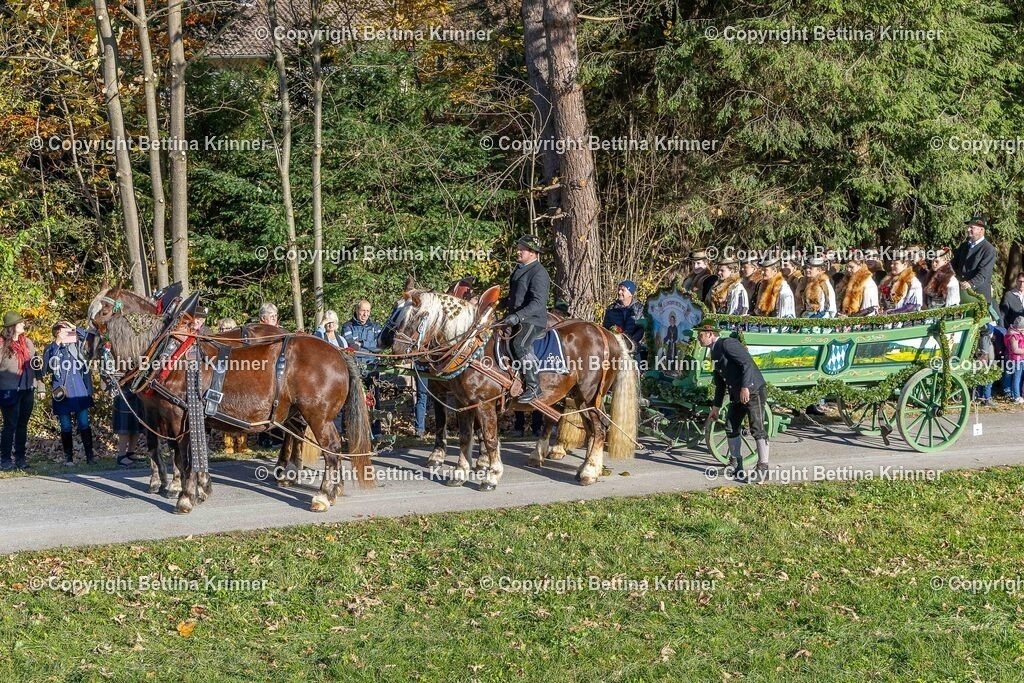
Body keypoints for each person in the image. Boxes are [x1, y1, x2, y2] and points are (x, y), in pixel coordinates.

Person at [696, 323, 769, 483]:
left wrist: (745, 387)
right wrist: (716, 407)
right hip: (737, 393)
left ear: (710, 334)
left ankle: (763, 468)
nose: (698, 338)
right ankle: (735, 465)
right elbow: (720, 382)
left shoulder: (727, 344)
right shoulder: (713, 352)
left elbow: (747, 363)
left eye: (700, 334)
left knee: (757, 428)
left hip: (753, 390)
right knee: (730, 426)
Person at [499, 235, 551, 402]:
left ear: (532, 252)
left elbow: (538, 302)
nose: (518, 251)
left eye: (522, 249)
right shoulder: (519, 269)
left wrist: (518, 316)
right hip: (515, 318)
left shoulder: (539, 273)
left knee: (520, 344)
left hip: (533, 320)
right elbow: (514, 297)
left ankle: (533, 386)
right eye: (519, 248)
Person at [43, 321, 95, 466]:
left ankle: (90, 456)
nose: (65, 332)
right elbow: (47, 367)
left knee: (84, 423)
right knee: (65, 426)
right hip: (62, 392)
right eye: (62, 330)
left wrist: (74, 328)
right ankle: (68, 458)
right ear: (56, 332)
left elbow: (89, 337)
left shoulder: (76, 346)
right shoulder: (51, 348)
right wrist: (57, 343)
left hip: (79, 390)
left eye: (66, 330)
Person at [0, 312, 45, 471]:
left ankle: (20, 458)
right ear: (12, 327)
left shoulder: (28, 343)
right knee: (9, 425)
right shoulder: (1, 344)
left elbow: (36, 365)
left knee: (22, 425)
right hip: (8, 390)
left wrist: (40, 386)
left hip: (27, 389)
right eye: (20, 323)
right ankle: (5, 459)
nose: (23, 325)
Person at [342, 300, 384, 437]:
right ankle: (352, 432)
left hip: (372, 367)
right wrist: (366, 346)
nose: (365, 314)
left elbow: (380, 346)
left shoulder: (376, 327)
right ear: (356, 310)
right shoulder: (347, 326)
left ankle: (376, 431)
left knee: (375, 399)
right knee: (354, 400)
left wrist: (362, 343)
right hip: (355, 368)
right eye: (362, 311)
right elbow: (350, 346)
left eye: (367, 311)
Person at [952, 215, 998, 303]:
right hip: (961, 294)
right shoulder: (964, 246)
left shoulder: (989, 249)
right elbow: (953, 265)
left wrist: (970, 283)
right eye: (968, 227)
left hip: (979, 296)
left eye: (971, 227)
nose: (968, 230)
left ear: (981, 230)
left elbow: (983, 273)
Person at [602, 280, 645, 351]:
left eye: (623, 290)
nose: (619, 292)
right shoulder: (611, 309)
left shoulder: (640, 309)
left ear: (630, 293)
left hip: (634, 348)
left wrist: (630, 343)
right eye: (619, 289)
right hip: (615, 348)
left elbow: (641, 329)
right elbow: (605, 328)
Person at [1002, 318, 1024, 403]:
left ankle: (1013, 394)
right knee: (1016, 378)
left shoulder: (1017, 333)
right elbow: (1015, 350)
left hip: (1018, 359)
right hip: (1016, 359)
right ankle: (1016, 397)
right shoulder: (1014, 336)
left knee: (1016, 377)